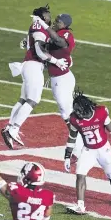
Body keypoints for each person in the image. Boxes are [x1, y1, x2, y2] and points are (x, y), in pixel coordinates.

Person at [1, 4, 68, 149]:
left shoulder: (36, 25)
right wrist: (55, 61)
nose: (50, 17)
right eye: (48, 15)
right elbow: (38, 49)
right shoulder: (39, 25)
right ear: (42, 16)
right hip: (34, 65)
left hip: (29, 65)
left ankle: (10, 127)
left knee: (23, 99)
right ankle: (14, 128)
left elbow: (27, 43)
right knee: (33, 99)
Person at [64, 89, 111, 214]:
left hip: (103, 149)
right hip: (88, 150)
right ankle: (81, 205)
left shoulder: (100, 112)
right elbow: (72, 137)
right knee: (80, 173)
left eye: (78, 110)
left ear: (86, 107)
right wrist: (67, 156)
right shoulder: (74, 119)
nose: (77, 113)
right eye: (75, 110)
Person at [30, 13, 84, 156]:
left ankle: (80, 147)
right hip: (59, 78)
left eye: (58, 21)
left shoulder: (65, 34)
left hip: (62, 79)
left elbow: (60, 42)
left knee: (68, 115)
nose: (55, 22)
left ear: (65, 24)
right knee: (67, 113)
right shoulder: (56, 33)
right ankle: (81, 143)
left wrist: (44, 25)